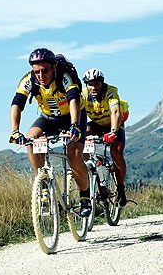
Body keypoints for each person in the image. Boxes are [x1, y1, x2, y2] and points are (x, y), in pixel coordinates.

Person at [9, 48, 92, 217]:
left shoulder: (64, 77)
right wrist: (15, 131)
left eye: (45, 70)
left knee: (74, 156)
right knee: (30, 140)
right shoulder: (29, 80)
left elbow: (74, 100)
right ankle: (45, 186)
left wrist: (75, 125)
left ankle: (85, 197)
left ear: (54, 67)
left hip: (73, 116)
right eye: (37, 71)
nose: (41, 75)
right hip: (49, 118)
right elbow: (17, 104)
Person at [81, 68, 128, 207]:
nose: (94, 87)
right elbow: (77, 114)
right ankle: (91, 170)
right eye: (90, 84)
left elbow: (116, 111)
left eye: (97, 84)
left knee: (116, 152)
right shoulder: (83, 95)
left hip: (113, 124)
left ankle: (120, 189)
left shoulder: (110, 91)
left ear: (102, 83)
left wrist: (113, 131)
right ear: (86, 85)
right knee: (79, 141)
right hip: (96, 124)